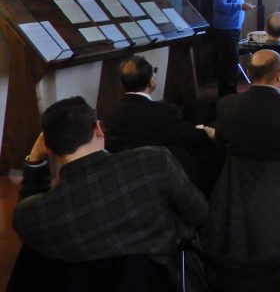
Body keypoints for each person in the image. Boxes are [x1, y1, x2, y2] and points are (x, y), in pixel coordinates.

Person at [13, 96, 207, 269]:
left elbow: (27, 211)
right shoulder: (153, 161)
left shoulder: (33, 215)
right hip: (163, 276)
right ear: (98, 129)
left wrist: (34, 159)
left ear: (48, 147)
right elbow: (199, 212)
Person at [102, 54, 221, 193]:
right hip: (162, 172)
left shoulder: (110, 113)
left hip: (127, 174)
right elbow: (191, 138)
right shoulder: (163, 111)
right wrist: (206, 131)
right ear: (151, 81)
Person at [211, 0, 254, 96]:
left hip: (233, 29)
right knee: (228, 66)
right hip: (225, 31)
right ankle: (227, 97)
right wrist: (241, 6)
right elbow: (219, 6)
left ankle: (231, 94)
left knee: (231, 64)